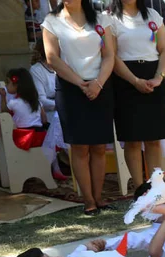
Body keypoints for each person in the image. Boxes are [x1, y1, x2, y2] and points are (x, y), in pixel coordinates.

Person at [42, 0, 116, 216]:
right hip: (71, 88)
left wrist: (98, 83)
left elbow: (110, 54)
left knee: (100, 146)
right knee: (80, 147)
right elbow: (52, 57)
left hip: (100, 86)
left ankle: (100, 197)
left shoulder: (101, 18)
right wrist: (79, 83)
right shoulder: (51, 21)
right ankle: (88, 200)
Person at [110, 0, 165, 193]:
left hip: (154, 76)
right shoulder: (110, 19)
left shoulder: (152, 15)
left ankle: (156, 187)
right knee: (133, 139)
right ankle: (139, 189)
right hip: (126, 79)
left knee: (153, 139)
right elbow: (112, 56)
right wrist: (135, 81)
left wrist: (158, 77)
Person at [29, 35, 58, 113]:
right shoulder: (36, 70)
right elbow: (41, 100)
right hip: (49, 113)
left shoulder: (62, 66)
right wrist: (62, 106)